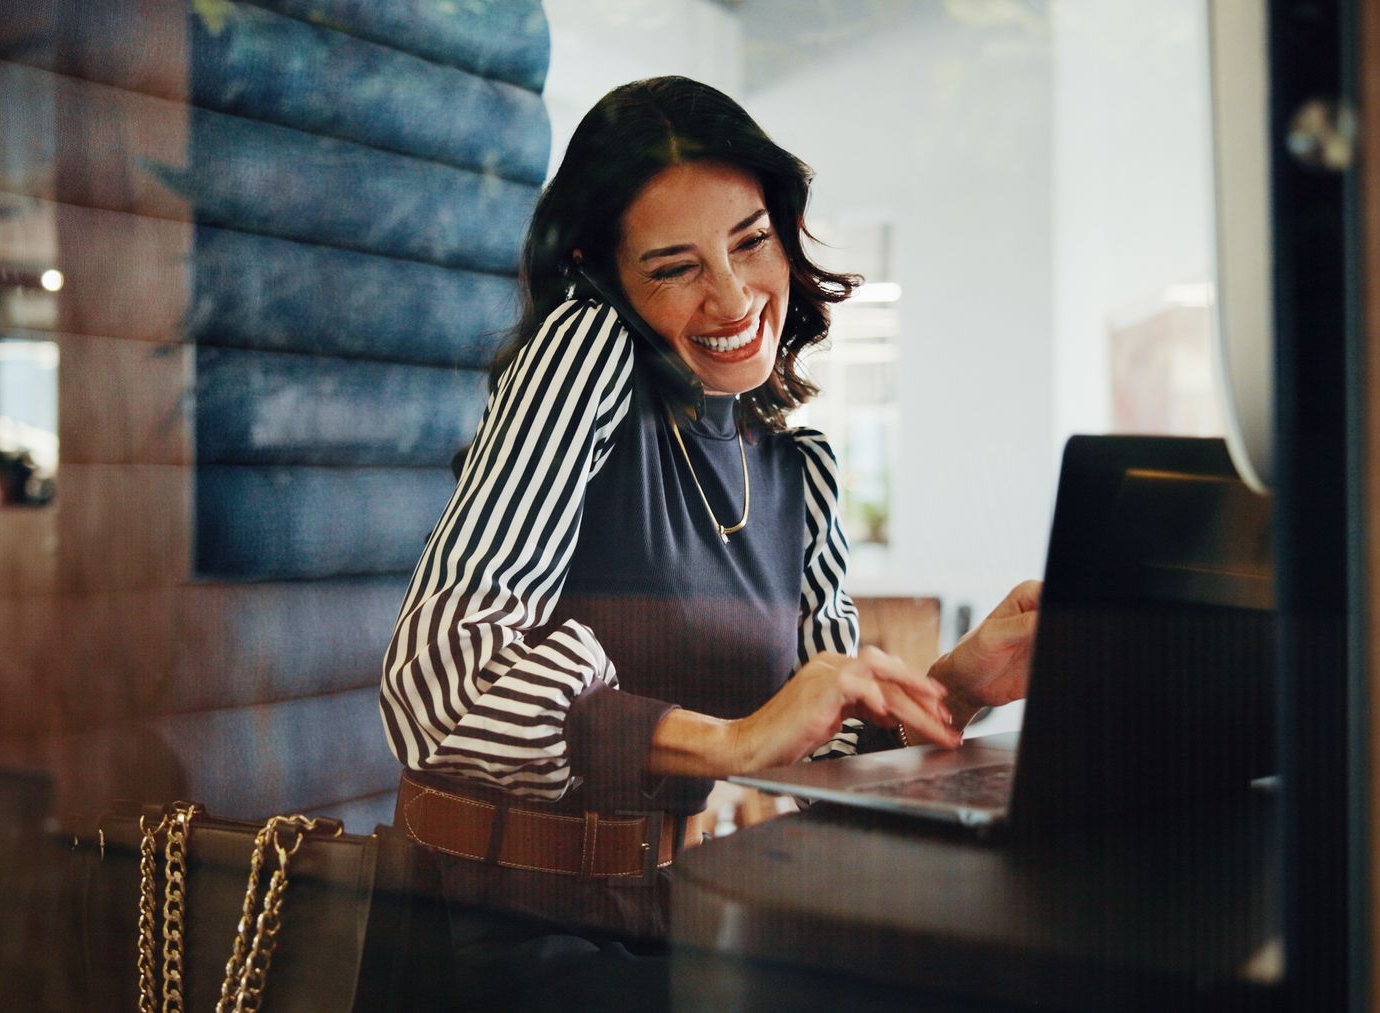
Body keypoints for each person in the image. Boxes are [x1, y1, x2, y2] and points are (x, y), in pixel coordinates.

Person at [380, 76, 1039, 1010]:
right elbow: (436, 685)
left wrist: (963, 683)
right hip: (520, 945)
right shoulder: (582, 352)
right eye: (675, 266)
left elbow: (815, 754)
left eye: (750, 242)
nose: (733, 298)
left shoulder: (793, 471)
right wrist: (731, 739)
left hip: (688, 928)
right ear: (603, 274)